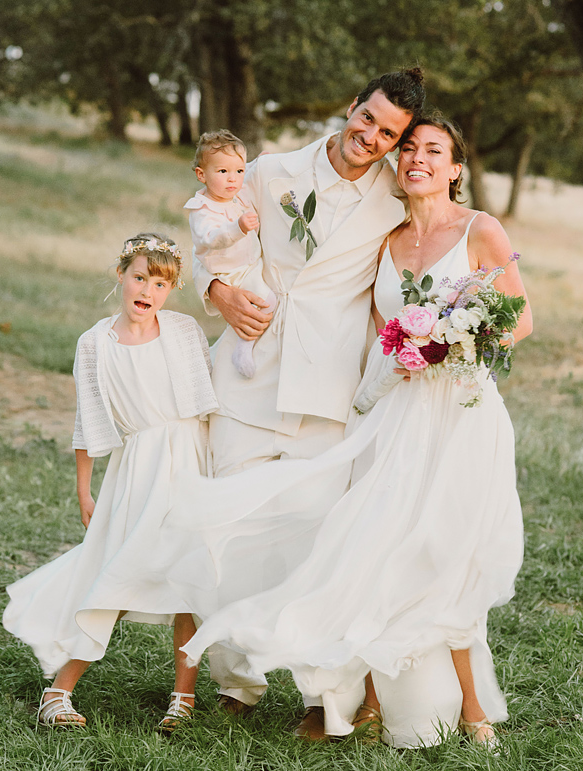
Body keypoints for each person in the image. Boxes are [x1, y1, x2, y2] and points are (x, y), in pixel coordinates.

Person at [177, 114, 531, 748]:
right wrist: (217, 289)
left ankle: (466, 708)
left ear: (456, 168)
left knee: (443, 551)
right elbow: (220, 229)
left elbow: (517, 320)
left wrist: (448, 341)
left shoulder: (478, 229)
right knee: (369, 545)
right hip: (379, 411)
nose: (412, 156)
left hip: (456, 412)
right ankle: (315, 691)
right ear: (354, 113)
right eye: (407, 145)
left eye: (430, 150)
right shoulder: (381, 231)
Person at [189, 68, 423, 735]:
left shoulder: (395, 199)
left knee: (318, 543)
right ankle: (237, 678)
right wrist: (219, 295)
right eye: (368, 118)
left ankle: (328, 699)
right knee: (229, 530)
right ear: (350, 106)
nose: (371, 137)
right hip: (248, 370)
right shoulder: (267, 171)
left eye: (389, 133)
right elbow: (210, 239)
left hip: (327, 388)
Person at [1, 234, 217, 733]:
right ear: (121, 275)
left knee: (191, 576)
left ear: (171, 289)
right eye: (140, 277)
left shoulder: (184, 331)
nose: (148, 290)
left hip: (191, 460)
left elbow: (211, 401)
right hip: (139, 467)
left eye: (160, 283)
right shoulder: (96, 343)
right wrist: (84, 489)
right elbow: (88, 422)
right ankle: (58, 691)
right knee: (118, 575)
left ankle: (182, 699)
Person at [184, 130, 269, 378]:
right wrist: (238, 227)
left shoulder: (232, 194)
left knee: (265, 303)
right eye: (222, 172)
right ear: (202, 175)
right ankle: (243, 348)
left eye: (239, 172)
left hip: (247, 265)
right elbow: (211, 238)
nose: (233, 179)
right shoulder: (202, 209)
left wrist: (261, 163)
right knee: (266, 302)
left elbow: (240, 165)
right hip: (230, 273)